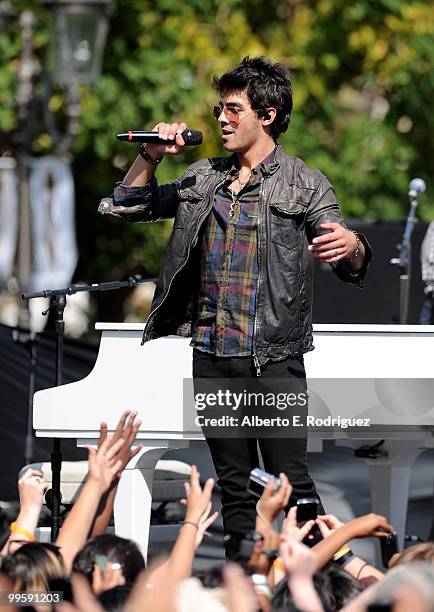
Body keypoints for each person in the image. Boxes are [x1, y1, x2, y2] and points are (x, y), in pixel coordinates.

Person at [99, 56, 372, 553]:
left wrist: (351, 244)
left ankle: (329, 583)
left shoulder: (304, 182)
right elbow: (124, 205)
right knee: (236, 491)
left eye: (232, 109)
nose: (221, 119)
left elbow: (351, 262)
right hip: (212, 356)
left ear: (266, 115)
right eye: (219, 108)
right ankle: (246, 590)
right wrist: (152, 155)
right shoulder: (203, 177)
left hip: (274, 360)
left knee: (292, 486)